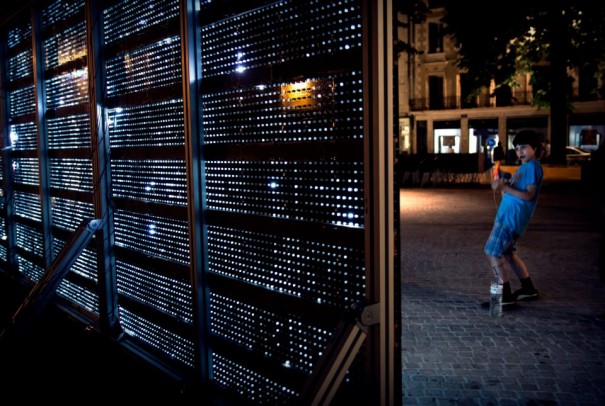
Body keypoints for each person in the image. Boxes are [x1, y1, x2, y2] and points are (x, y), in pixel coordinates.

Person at [482, 129, 543, 310]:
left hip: (510, 219)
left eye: (524, 147)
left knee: (492, 251)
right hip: (509, 217)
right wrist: (503, 185)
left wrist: (506, 189)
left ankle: (504, 296)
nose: (520, 151)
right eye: (517, 148)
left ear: (535, 148)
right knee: (508, 253)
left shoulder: (532, 167)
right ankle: (528, 288)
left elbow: (529, 194)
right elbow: (515, 192)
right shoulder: (524, 168)